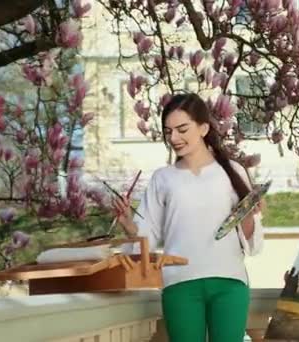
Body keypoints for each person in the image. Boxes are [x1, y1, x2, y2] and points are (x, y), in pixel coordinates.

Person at [113, 93, 265, 342]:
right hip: (179, 283)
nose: (174, 138)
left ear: (204, 128)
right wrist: (130, 224)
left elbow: (251, 241)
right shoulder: (163, 178)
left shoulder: (234, 172)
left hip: (229, 281)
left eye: (182, 129)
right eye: (168, 131)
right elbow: (146, 238)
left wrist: (248, 214)